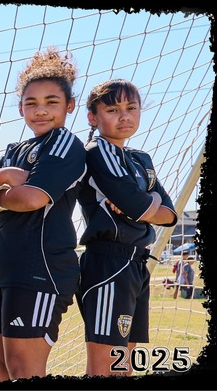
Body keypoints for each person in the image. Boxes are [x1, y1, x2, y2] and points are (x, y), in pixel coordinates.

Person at [0, 47, 86, 381]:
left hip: (41, 269)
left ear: (70, 105)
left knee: (24, 370)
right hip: (4, 269)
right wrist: (5, 178)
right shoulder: (16, 150)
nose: (40, 110)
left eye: (52, 102)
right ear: (20, 107)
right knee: (2, 367)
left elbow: (31, 199)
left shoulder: (65, 144)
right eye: (31, 103)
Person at [76, 79, 178, 376]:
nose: (124, 116)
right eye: (112, 110)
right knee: (104, 368)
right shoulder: (98, 151)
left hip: (137, 263)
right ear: (92, 117)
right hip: (108, 262)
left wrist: (148, 201)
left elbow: (170, 214)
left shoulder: (140, 159)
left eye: (131, 108)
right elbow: (141, 209)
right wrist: (148, 204)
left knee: (125, 365)